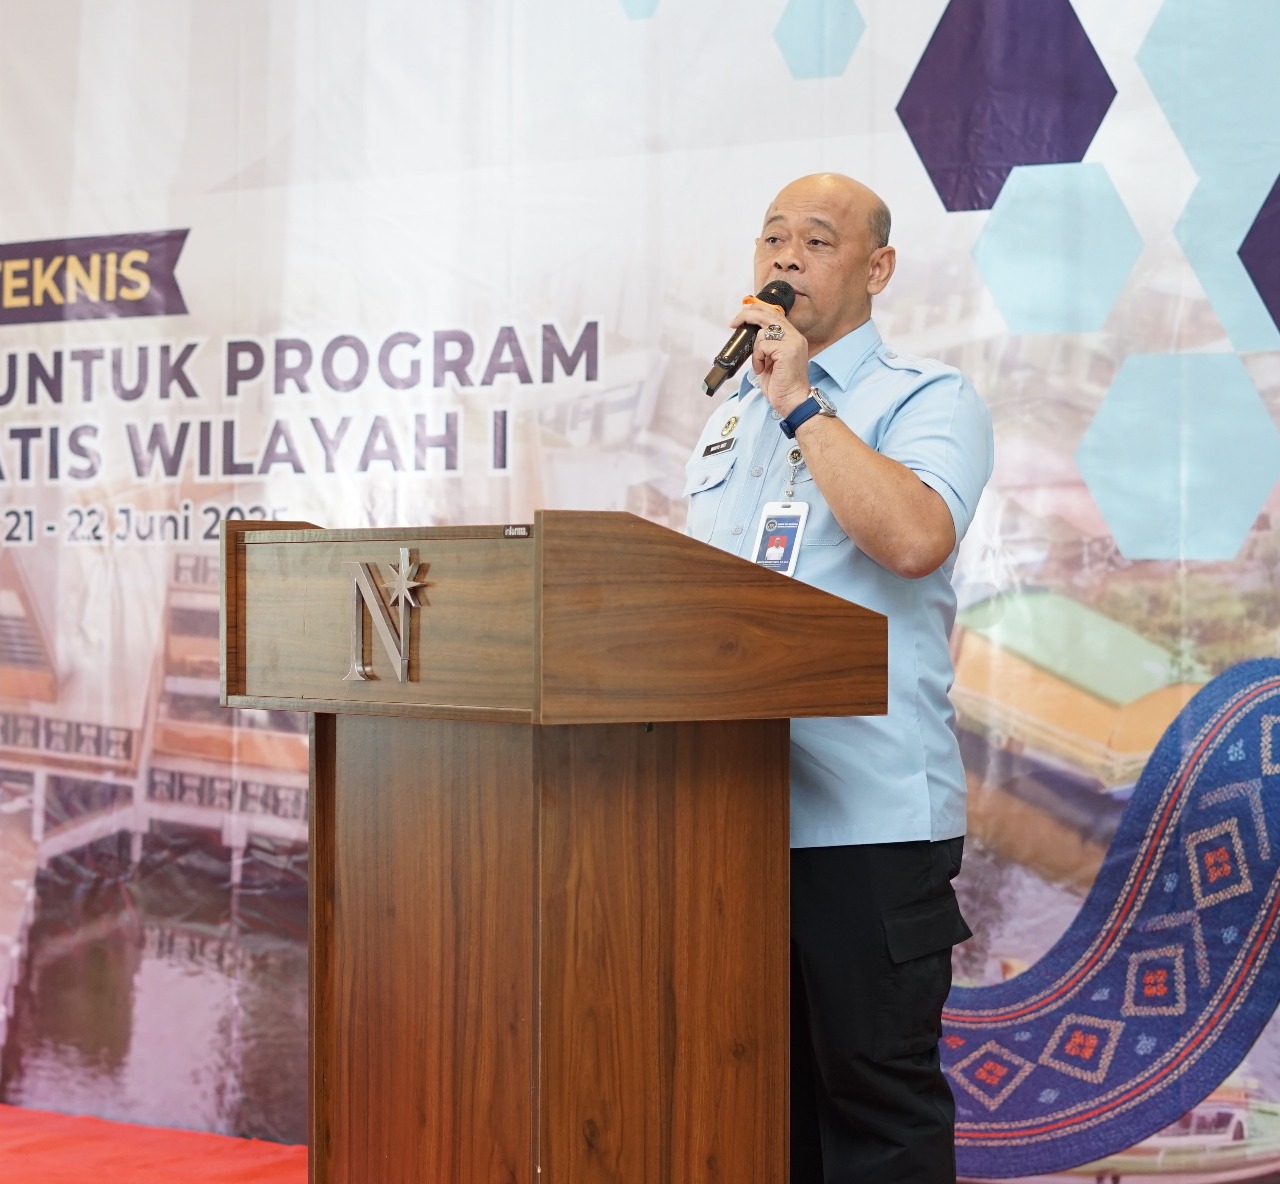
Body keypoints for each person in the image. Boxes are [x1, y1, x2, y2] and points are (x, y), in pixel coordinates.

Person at [684, 173, 994, 1183]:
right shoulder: (726, 417)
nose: (784, 257)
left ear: (878, 267)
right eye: (771, 237)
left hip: (868, 823)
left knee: (874, 1110)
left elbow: (911, 538)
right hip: (733, 821)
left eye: (816, 241)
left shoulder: (925, 398)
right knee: (752, 1109)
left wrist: (797, 401)